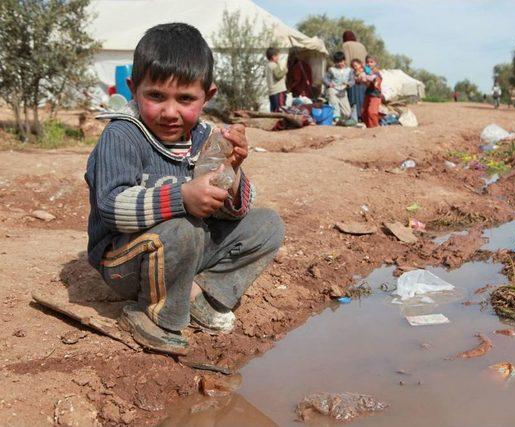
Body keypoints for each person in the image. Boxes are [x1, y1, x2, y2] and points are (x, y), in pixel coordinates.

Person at [85, 23, 285, 355]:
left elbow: (229, 208)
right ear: (134, 89)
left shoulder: (206, 137)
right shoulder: (121, 136)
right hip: (125, 262)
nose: (170, 111)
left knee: (267, 225)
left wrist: (231, 169)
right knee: (183, 228)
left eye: (186, 99)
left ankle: (198, 292)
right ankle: (155, 314)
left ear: (208, 96)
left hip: (182, 252)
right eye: (156, 96)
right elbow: (110, 206)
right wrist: (183, 198)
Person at [342, 31, 368, 121]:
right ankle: (363, 116)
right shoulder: (362, 46)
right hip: (363, 73)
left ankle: (354, 116)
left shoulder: (346, 45)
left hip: (352, 73)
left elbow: (346, 60)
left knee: (353, 96)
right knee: (362, 95)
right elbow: (366, 60)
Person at [323, 51, 354, 122]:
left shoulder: (349, 70)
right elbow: (325, 79)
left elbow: (352, 81)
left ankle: (342, 120)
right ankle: (335, 118)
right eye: (338, 62)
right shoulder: (331, 70)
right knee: (334, 105)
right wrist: (329, 84)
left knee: (347, 113)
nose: (341, 63)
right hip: (333, 90)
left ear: (344, 60)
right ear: (335, 62)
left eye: (342, 61)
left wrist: (348, 84)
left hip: (343, 91)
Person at [362, 55, 383, 128]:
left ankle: (375, 128)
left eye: (371, 62)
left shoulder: (376, 73)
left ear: (375, 63)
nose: (369, 64)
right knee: (364, 112)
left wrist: (374, 81)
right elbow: (365, 83)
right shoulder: (366, 72)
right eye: (367, 62)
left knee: (372, 112)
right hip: (368, 94)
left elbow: (377, 82)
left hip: (375, 95)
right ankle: (369, 129)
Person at [265, 47, 287, 112]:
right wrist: (285, 71)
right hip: (278, 90)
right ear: (273, 57)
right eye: (277, 56)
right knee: (281, 109)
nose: (278, 57)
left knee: (274, 110)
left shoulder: (268, 65)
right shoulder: (274, 65)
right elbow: (278, 76)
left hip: (272, 92)